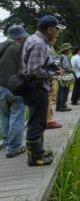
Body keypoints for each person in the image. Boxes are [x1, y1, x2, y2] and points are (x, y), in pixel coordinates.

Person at [21, 15, 65, 166]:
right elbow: (35, 71)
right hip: (37, 88)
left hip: (36, 87)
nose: (58, 32)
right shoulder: (39, 43)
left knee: (37, 120)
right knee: (37, 122)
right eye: (56, 29)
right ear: (49, 29)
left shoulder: (35, 39)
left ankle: (38, 151)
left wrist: (53, 66)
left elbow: (41, 63)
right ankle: (35, 158)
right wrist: (53, 74)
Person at [0, 25, 28, 158]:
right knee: (17, 118)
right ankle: (14, 148)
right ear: (20, 38)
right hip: (15, 88)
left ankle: (6, 143)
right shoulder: (18, 49)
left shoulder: (1, 46)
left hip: (0, 88)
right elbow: (25, 68)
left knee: (4, 117)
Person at [46, 38, 63, 129]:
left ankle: (49, 119)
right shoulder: (47, 48)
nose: (55, 40)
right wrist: (56, 71)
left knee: (52, 98)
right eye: (53, 38)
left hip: (51, 77)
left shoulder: (51, 48)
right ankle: (49, 121)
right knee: (50, 99)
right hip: (49, 77)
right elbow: (50, 64)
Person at [56, 43, 74, 112]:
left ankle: (58, 107)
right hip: (65, 76)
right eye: (69, 49)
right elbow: (66, 67)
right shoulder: (65, 57)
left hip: (60, 75)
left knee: (60, 91)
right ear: (66, 50)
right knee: (65, 91)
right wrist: (73, 71)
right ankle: (63, 106)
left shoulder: (60, 56)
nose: (70, 50)